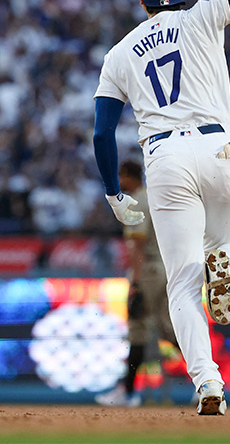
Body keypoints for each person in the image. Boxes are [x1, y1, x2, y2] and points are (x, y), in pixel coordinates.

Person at [92, 0, 230, 415]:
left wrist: (114, 191)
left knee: (183, 284)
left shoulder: (120, 54)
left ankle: (209, 385)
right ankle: (228, 266)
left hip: (166, 158)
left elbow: (102, 132)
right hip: (221, 147)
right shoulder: (203, 15)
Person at [96, 160, 178, 407]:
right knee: (168, 327)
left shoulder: (139, 200)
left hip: (148, 270)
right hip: (163, 266)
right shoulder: (152, 199)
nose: (118, 182)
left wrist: (137, 283)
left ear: (128, 176)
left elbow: (138, 244)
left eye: (121, 176)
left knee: (138, 326)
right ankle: (206, 379)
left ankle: (128, 391)